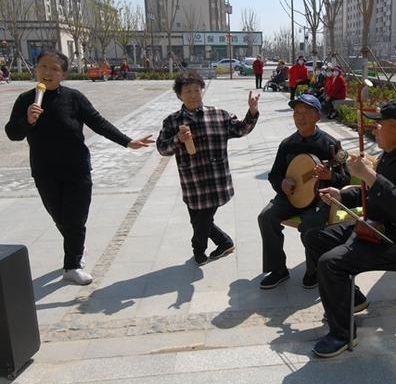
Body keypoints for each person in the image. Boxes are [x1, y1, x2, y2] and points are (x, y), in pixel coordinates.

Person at [4, 51, 154, 285]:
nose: (48, 72)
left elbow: (99, 122)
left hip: (77, 169)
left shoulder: (74, 98)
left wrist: (127, 141)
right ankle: (77, 247)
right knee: (59, 217)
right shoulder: (26, 100)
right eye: (43, 67)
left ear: (63, 74)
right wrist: (28, 121)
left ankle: (72, 265)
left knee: (75, 218)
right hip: (45, 171)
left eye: (54, 69)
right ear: (36, 70)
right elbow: (12, 133)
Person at [305, 100, 396, 358]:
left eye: (379, 124)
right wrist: (342, 197)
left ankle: (342, 333)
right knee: (314, 238)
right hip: (373, 228)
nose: (374, 129)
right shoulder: (391, 153)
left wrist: (370, 176)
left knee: (331, 263)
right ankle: (353, 298)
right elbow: (371, 194)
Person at [157, 72, 260, 265]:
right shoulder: (172, 121)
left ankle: (198, 249)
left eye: (197, 90)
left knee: (201, 221)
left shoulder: (218, 115)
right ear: (179, 95)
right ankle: (225, 242)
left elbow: (241, 129)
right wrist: (177, 139)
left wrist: (252, 112)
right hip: (192, 182)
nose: (194, 94)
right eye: (188, 91)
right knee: (198, 220)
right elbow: (162, 149)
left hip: (216, 180)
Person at [258, 94, 350, 289]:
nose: (300, 117)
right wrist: (282, 183)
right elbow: (274, 175)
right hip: (290, 196)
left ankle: (314, 270)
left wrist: (329, 177)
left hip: (319, 200)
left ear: (317, 115)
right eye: (296, 112)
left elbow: (346, 179)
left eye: (306, 112)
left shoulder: (331, 145)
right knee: (266, 216)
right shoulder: (287, 144)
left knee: (310, 224)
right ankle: (278, 270)